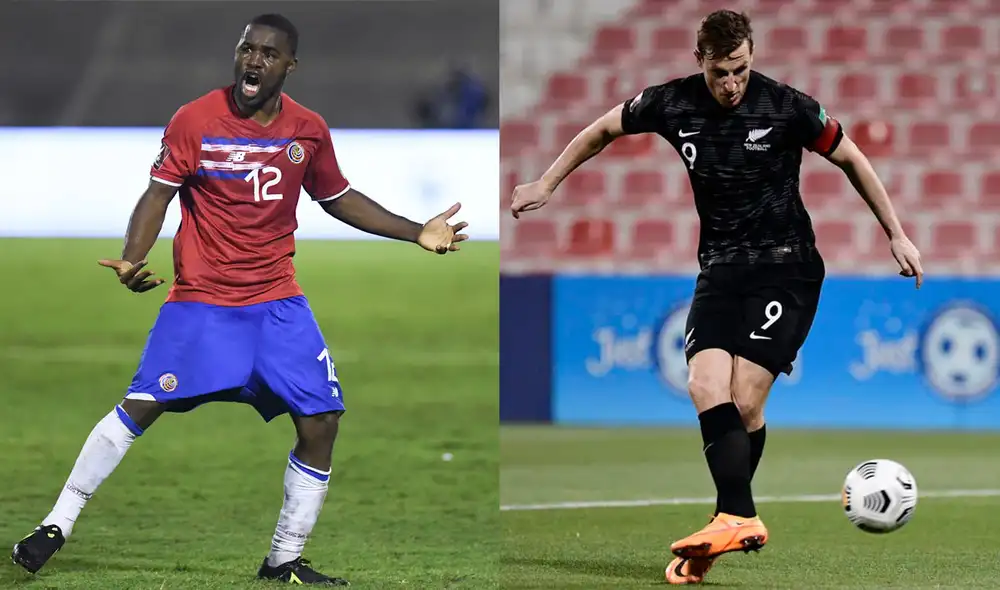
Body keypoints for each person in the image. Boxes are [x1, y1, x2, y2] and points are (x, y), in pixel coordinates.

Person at [12, 13, 468, 586]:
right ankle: (57, 522)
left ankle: (283, 560)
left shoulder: (308, 130)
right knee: (141, 405)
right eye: (247, 49)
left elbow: (339, 197)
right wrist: (134, 255)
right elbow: (158, 195)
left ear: (289, 66)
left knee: (322, 419)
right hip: (202, 301)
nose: (255, 60)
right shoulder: (195, 119)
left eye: (268, 54)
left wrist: (415, 231)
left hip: (278, 304)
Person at [509, 9, 922, 586]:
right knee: (705, 385)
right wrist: (546, 182)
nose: (732, 85)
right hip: (720, 271)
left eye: (741, 70)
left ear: (752, 56)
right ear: (698, 59)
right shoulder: (670, 103)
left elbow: (851, 156)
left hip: (787, 269)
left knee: (747, 401)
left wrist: (896, 234)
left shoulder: (787, 107)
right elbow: (601, 129)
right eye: (721, 72)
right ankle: (733, 519)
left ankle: (730, 519)